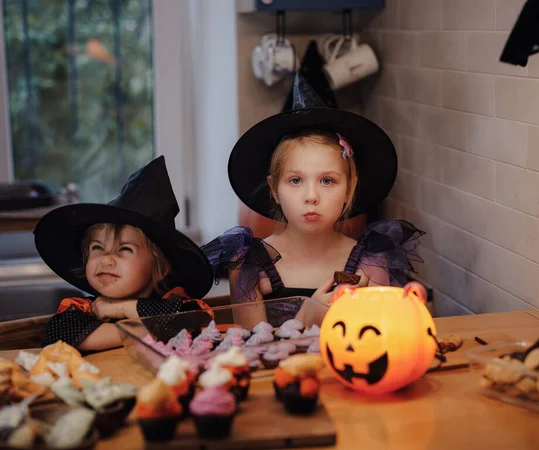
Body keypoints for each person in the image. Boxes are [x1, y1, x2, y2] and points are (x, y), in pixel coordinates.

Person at [202, 75, 424, 329]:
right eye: (296, 181)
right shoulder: (251, 267)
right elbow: (252, 353)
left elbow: (375, 341)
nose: (311, 196)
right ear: (274, 189)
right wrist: (306, 318)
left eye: (327, 181)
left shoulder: (368, 265)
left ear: (349, 190)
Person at [36, 156, 214, 351]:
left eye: (124, 249)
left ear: (160, 268)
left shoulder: (174, 304)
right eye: (97, 248)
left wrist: (120, 309)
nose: (106, 259)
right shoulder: (84, 309)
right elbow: (57, 337)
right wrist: (149, 330)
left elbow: (190, 320)